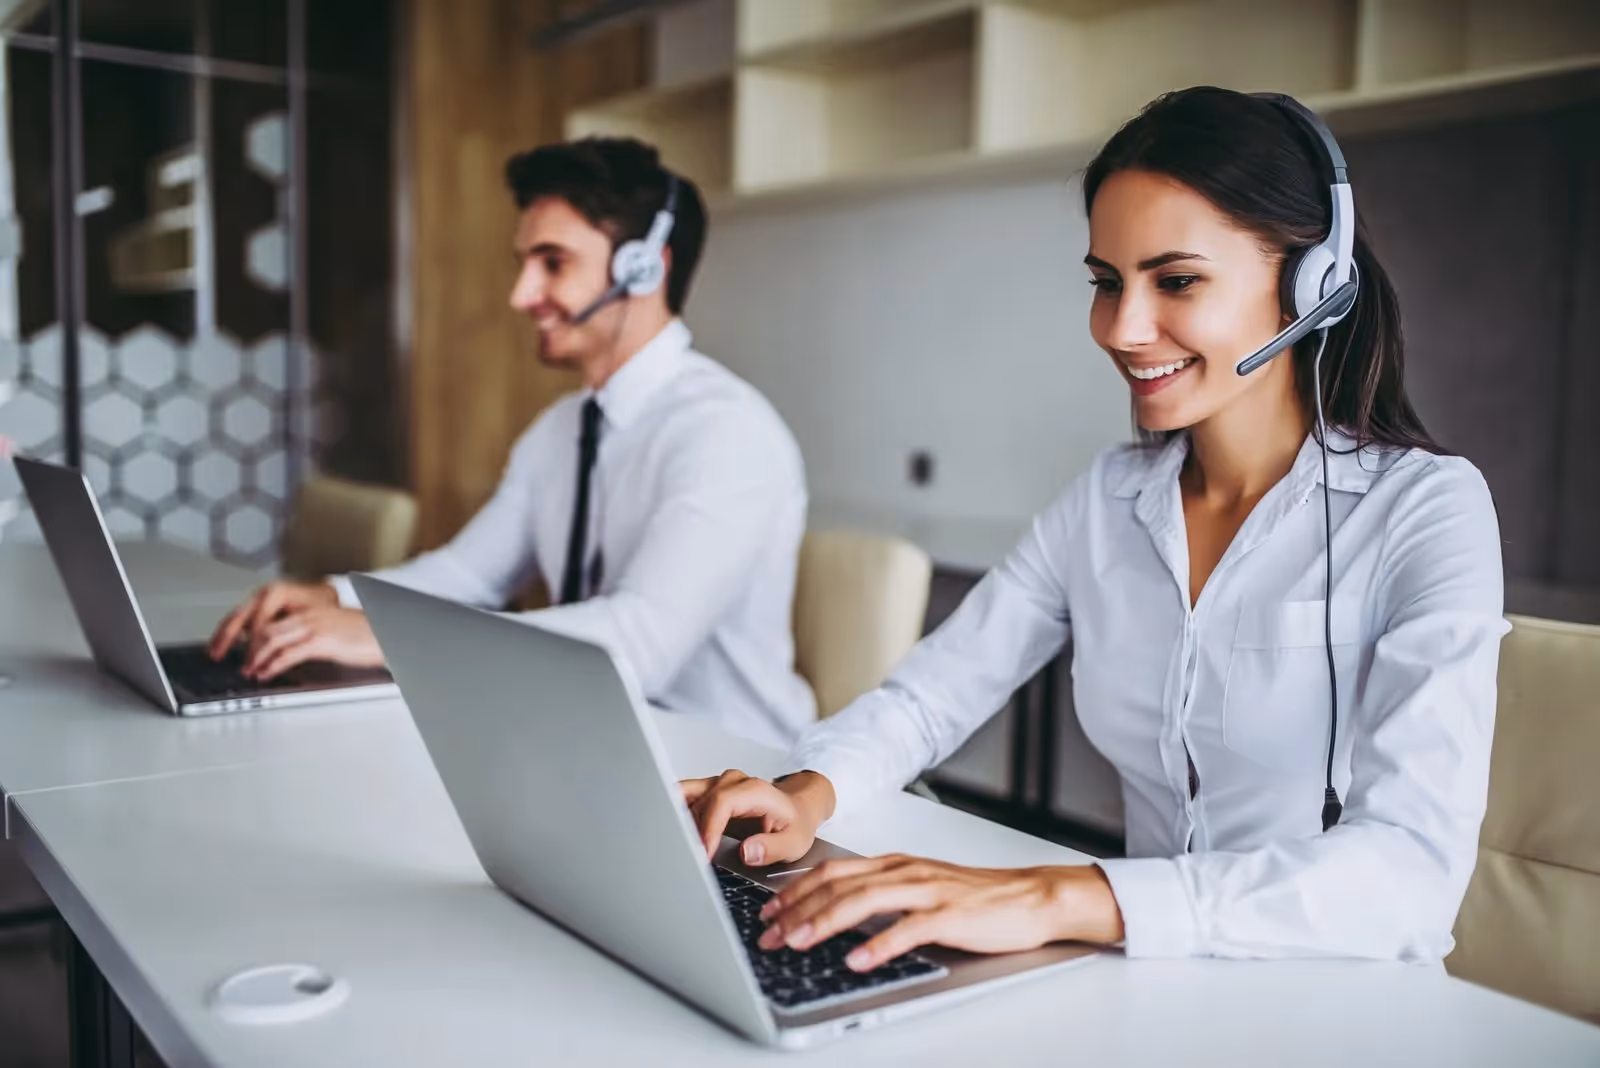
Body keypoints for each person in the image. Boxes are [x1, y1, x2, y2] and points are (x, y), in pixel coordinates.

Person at [682, 87, 1508, 972]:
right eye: (1107, 282)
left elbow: (1409, 874)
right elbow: (933, 696)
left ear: (1315, 284)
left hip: (1329, 1002)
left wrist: (1061, 895)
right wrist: (811, 788)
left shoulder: (1427, 510)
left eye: (1177, 280)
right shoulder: (1110, 499)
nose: (1122, 326)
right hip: (1141, 979)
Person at [209, 138, 817, 747]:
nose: (521, 295)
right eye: (525, 263)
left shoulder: (726, 432)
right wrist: (334, 598)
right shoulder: (559, 429)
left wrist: (388, 636)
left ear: (644, 268)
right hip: (593, 741)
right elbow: (470, 574)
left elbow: (641, 643)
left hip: (732, 775)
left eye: (552, 263)